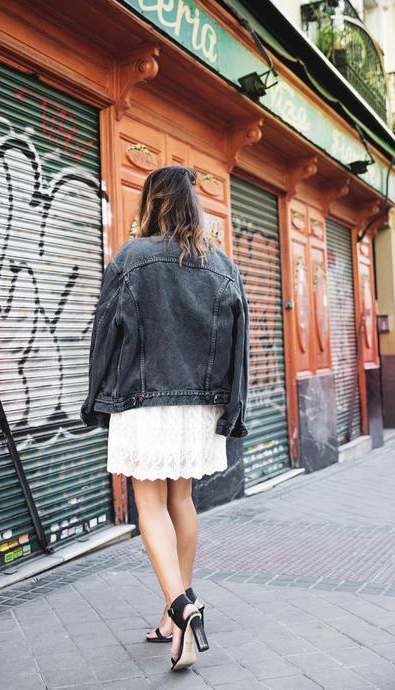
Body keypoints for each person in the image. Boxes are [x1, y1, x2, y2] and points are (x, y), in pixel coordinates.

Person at [81, 165, 249, 672]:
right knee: (182, 500)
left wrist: (97, 399)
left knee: (148, 505)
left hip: (143, 398)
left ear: (151, 203)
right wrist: (230, 408)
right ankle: (171, 620)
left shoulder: (131, 258)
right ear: (193, 206)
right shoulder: (221, 264)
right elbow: (239, 345)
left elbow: (104, 334)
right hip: (200, 404)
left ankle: (184, 607)